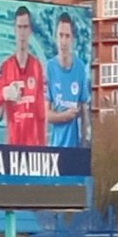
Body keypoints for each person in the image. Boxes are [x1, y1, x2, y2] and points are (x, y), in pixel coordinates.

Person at [0, 5, 47, 146]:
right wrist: (4, 94)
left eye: (25, 27)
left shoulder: (37, 67)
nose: (22, 33)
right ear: (14, 30)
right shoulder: (6, 67)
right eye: (19, 27)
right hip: (13, 149)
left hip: (34, 149)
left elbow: (42, 114)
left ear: (30, 30)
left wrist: (44, 150)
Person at [46, 12, 89, 148]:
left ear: (72, 39)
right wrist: (65, 116)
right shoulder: (50, 68)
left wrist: (84, 142)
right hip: (56, 148)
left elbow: (84, 108)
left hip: (76, 147)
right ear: (55, 37)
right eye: (60, 36)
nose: (63, 41)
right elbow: (45, 114)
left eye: (67, 36)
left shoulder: (80, 67)